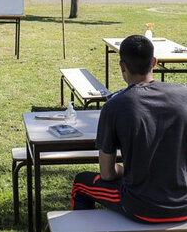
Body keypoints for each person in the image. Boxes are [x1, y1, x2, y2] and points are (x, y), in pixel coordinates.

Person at [72, 34, 187, 223]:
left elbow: (107, 174)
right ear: (155, 63)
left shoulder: (115, 105)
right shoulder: (184, 94)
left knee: (80, 183)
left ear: (122, 66)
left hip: (142, 207)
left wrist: (129, 172)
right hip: (184, 205)